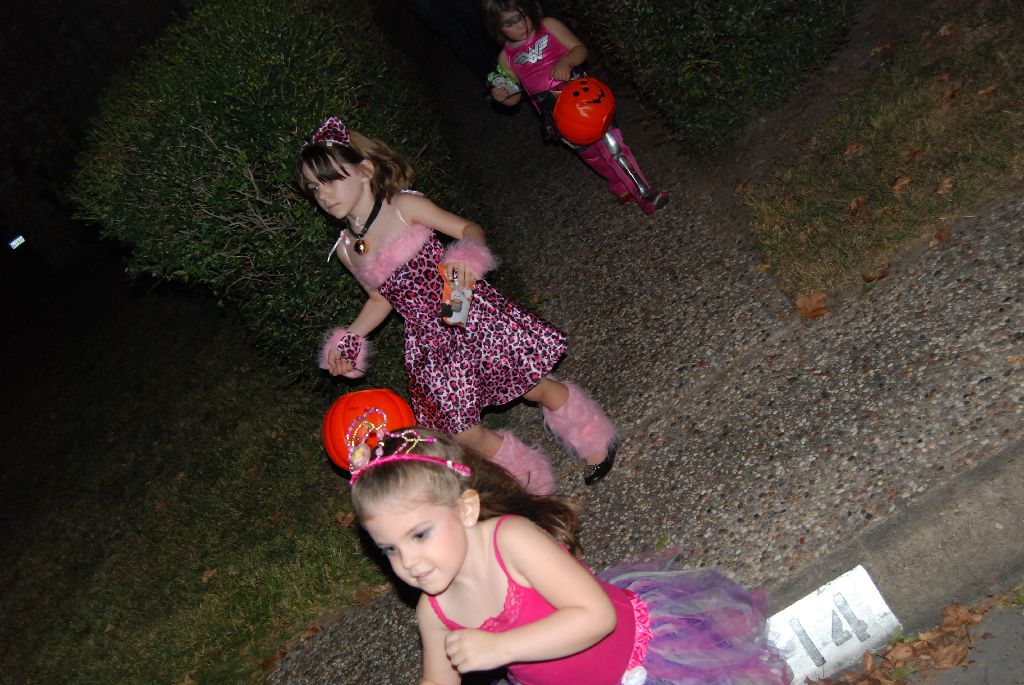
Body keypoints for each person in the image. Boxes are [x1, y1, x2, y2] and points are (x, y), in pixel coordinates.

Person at [296, 116, 617, 490]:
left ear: (365, 170)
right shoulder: (348, 250)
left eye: (331, 179)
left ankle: (593, 436)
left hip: (466, 311)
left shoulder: (402, 207)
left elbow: (468, 229)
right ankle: (529, 482)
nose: (323, 194)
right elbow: (379, 298)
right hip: (427, 343)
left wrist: (465, 260)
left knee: (531, 385)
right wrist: (350, 339)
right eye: (314, 187)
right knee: (460, 430)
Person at [348, 426, 795, 685]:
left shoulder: (511, 540)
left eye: (420, 534)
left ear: (466, 510)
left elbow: (597, 616)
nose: (408, 562)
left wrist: (501, 647)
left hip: (640, 662)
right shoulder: (434, 613)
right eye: (390, 549)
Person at [483, 0, 669, 216]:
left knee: (613, 147)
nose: (520, 24)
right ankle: (620, 184)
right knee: (592, 157)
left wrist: (567, 61)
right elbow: (514, 99)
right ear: (497, 27)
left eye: (523, 15)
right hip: (557, 117)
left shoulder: (548, 26)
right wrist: (502, 96)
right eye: (510, 22)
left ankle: (645, 194)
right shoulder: (506, 58)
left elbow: (580, 50)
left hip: (586, 102)